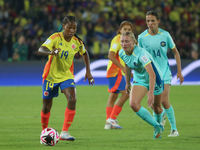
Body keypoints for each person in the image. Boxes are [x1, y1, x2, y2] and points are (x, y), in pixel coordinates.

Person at [38, 15, 94, 142]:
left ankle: (64, 132)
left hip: (66, 76)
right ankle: (44, 131)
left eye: (74, 28)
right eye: (69, 27)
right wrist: (51, 52)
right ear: (63, 26)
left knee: (72, 98)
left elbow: (85, 53)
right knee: (46, 106)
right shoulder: (55, 38)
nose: (72, 30)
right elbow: (41, 49)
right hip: (50, 77)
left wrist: (88, 72)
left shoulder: (77, 42)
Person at [138, 10, 184, 137]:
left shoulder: (165, 35)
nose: (150, 23)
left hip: (164, 72)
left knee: (164, 100)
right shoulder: (141, 37)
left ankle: (174, 129)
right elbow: (139, 56)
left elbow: (175, 52)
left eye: (153, 20)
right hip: (150, 74)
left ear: (158, 21)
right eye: (148, 21)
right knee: (153, 104)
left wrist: (179, 71)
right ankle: (158, 130)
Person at [119, 31, 164, 139]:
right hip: (140, 78)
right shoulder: (121, 53)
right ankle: (157, 126)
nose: (124, 44)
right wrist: (127, 83)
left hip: (155, 78)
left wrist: (151, 93)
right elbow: (128, 66)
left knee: (156, 107)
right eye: (122, 41)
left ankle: (160, 120)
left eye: (127, 41)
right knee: (133, 104)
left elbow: (152, 74)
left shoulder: (141, 54)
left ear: (134, 42)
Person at [105, 21, 133, 129]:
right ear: (120, 30)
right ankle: (112, 118)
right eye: (125, 29)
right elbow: (111, 55)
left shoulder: (127, 41)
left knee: (113, 97)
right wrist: (122, 68)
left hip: (119, 72)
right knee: (126, 94)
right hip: (116, 71)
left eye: (129, 30)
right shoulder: (118, 39)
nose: (127, 31)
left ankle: (108, 124)